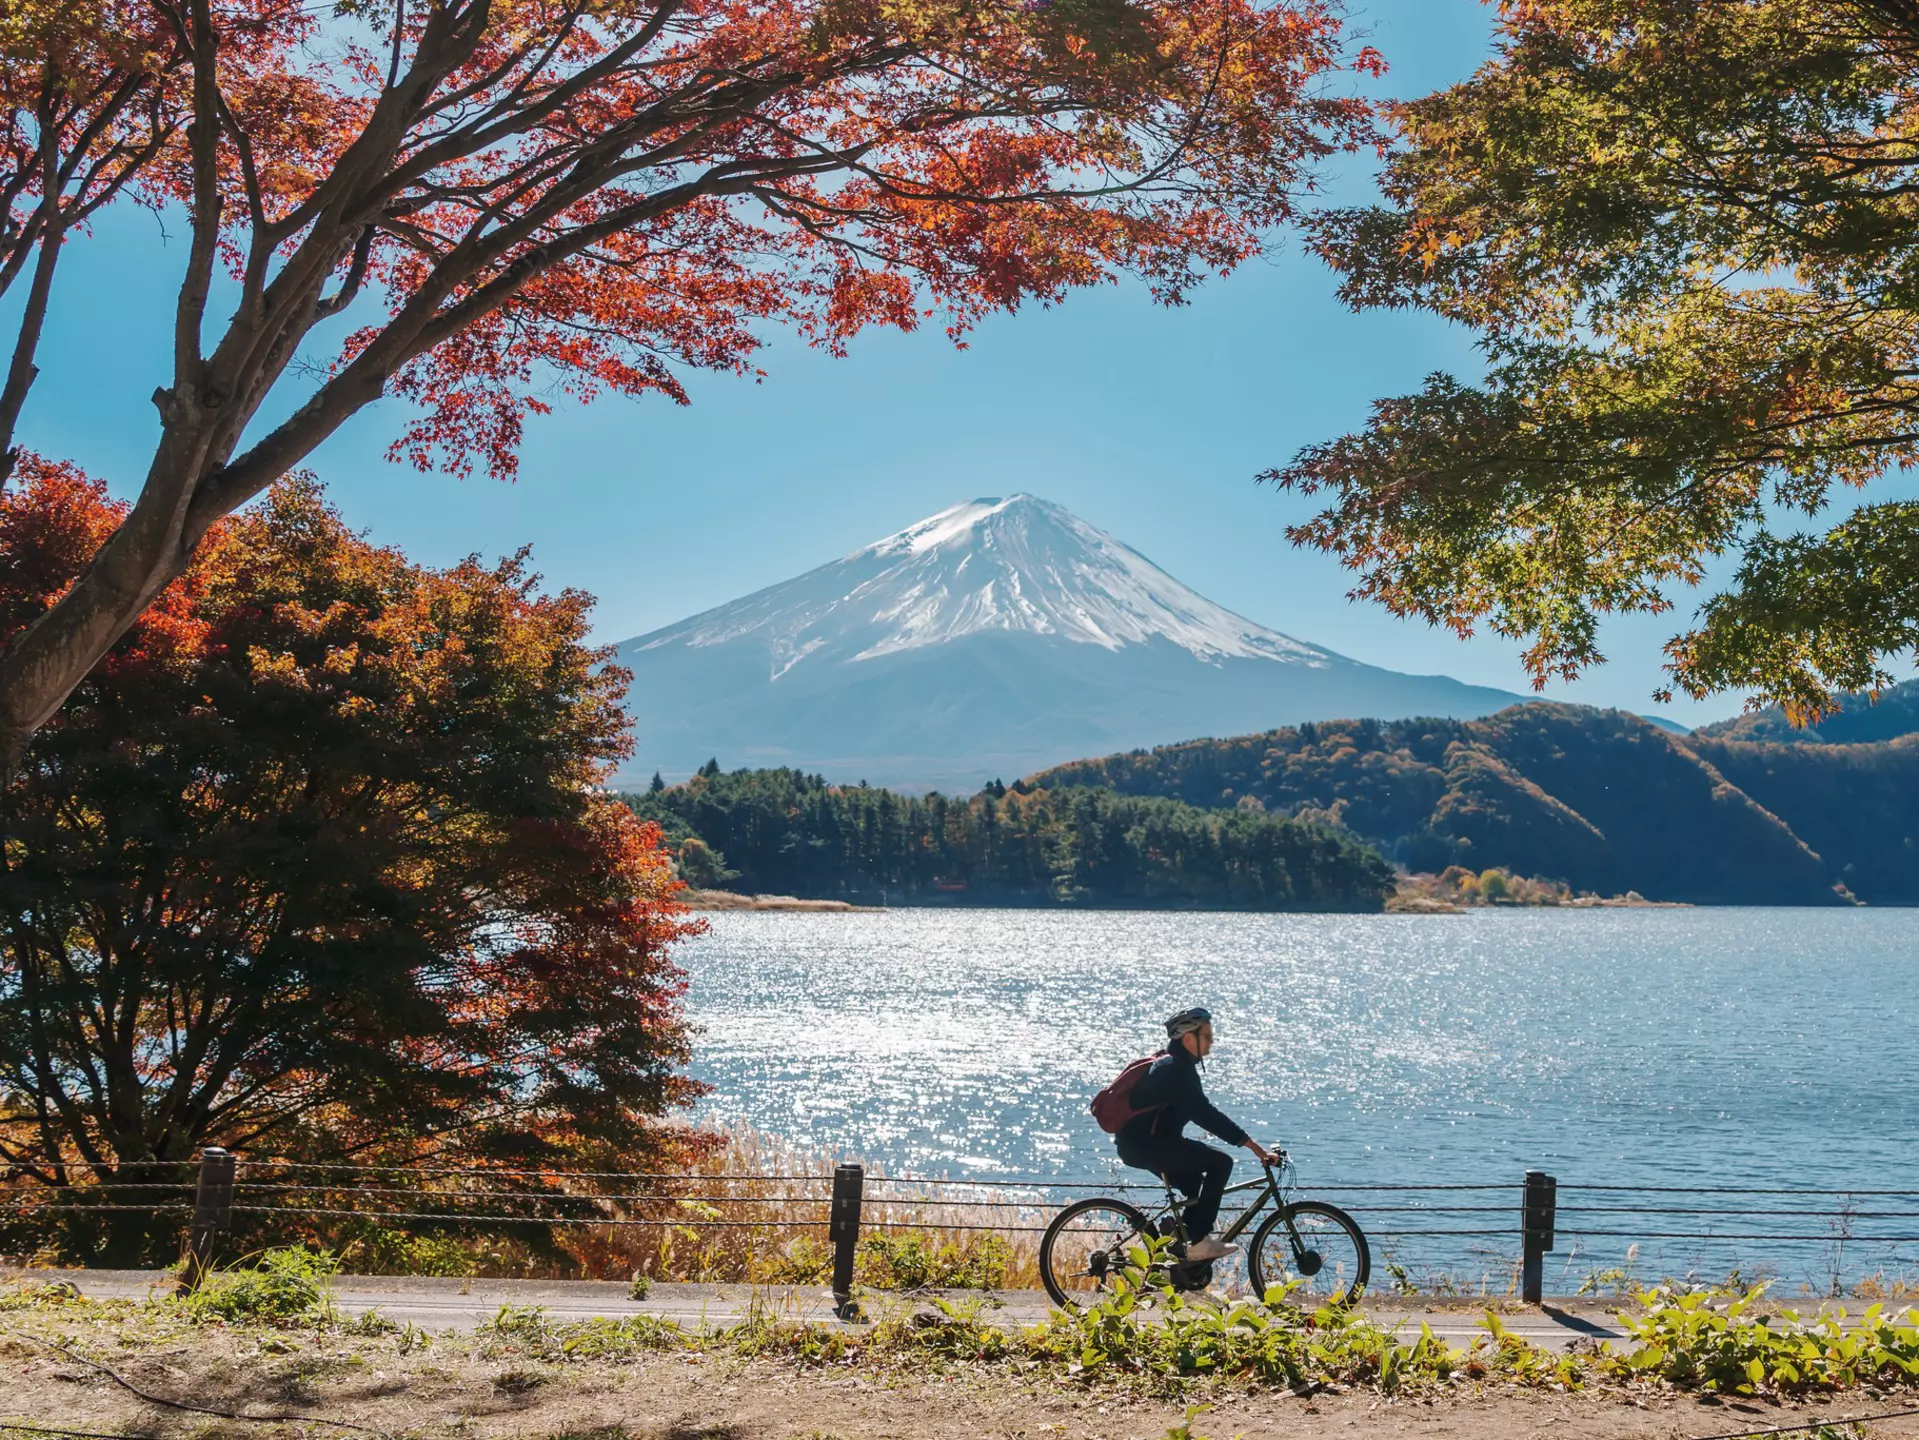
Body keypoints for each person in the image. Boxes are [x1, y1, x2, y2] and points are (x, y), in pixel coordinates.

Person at [1116, 1006, 1280, 1262]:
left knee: (1194, 1185)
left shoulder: (1178, 1066)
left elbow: (1200, 1111)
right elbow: (1204, 1114)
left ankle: (1178, 1248)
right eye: (1207, 1034)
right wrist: (1252, 1146)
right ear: (1189, 1038)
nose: (1212, 1040)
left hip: (1148, 1144)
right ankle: (1199, 1242)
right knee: (1221, 1163)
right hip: (1149, 1146)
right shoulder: (1174, 1070)